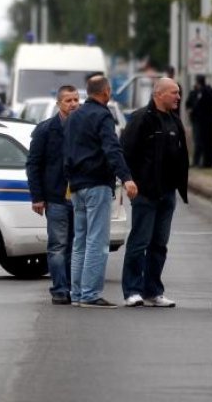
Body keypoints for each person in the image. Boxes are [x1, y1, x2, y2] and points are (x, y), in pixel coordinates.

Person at [64, 75, 138, 308]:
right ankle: (90, 295)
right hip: (97, 184)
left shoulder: (74, 116)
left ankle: (76, 293)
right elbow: (112, 149)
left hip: (77, 186)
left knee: (80, 242)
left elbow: (66, 150)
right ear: (105, 91)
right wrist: (126, 178)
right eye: (109, 90)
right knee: (97, 241)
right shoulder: (103, 115)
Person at [120, 78, 188, 307]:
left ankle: (153, 290)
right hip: (145, 193)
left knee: (159, 244)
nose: (178, 97)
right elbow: (125, 152)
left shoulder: (174, 121)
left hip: (167, 193)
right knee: (139, 242)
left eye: (178, 93)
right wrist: (129, 181)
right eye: (174, 93)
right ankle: (132, 290)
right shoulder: (141, 119)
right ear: (159, 94)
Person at [26, 85, 80, 305]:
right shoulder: (45, 130)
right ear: (59, 104)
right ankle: (59, 289)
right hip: (56, 198)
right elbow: (33, 164)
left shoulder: (85, 128)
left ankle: (73, 288)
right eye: (68, 100)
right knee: (58, 246)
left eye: (76, 99)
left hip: (80, 197)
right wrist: (37, 197)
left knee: (76, 245)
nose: (74, 104)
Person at [185, 74, 212, 167]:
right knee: (207, 141)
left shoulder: (202, 92)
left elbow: (195, 105)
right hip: (206, 120)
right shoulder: (204, 91)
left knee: (200, 141)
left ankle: (203, 162)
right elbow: (189, 104)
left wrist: (191, 111)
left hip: (201, 120)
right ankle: (206, 162)